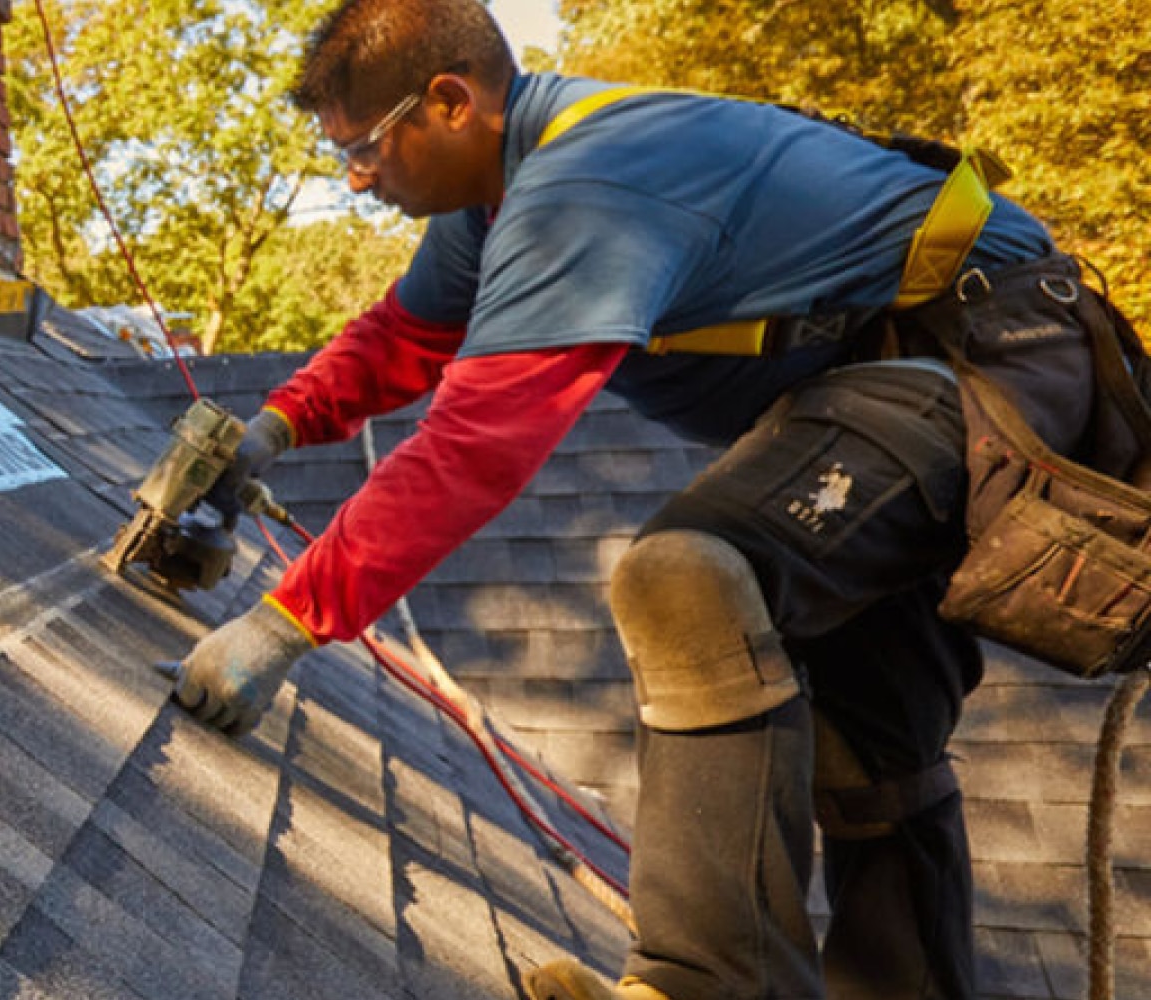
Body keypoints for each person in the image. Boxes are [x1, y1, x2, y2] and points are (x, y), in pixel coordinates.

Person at [167, 1, 1139, 997]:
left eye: (365, 148)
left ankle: (702, 983)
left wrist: (287, 618)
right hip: (882, 377)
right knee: (866, 737)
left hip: (989, 356)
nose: (357, 180)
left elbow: (472, 448)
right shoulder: (494, 204)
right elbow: (405, 339)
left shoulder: (583, 183)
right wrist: (268, 433)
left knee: (691, 578)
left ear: (451, 103)